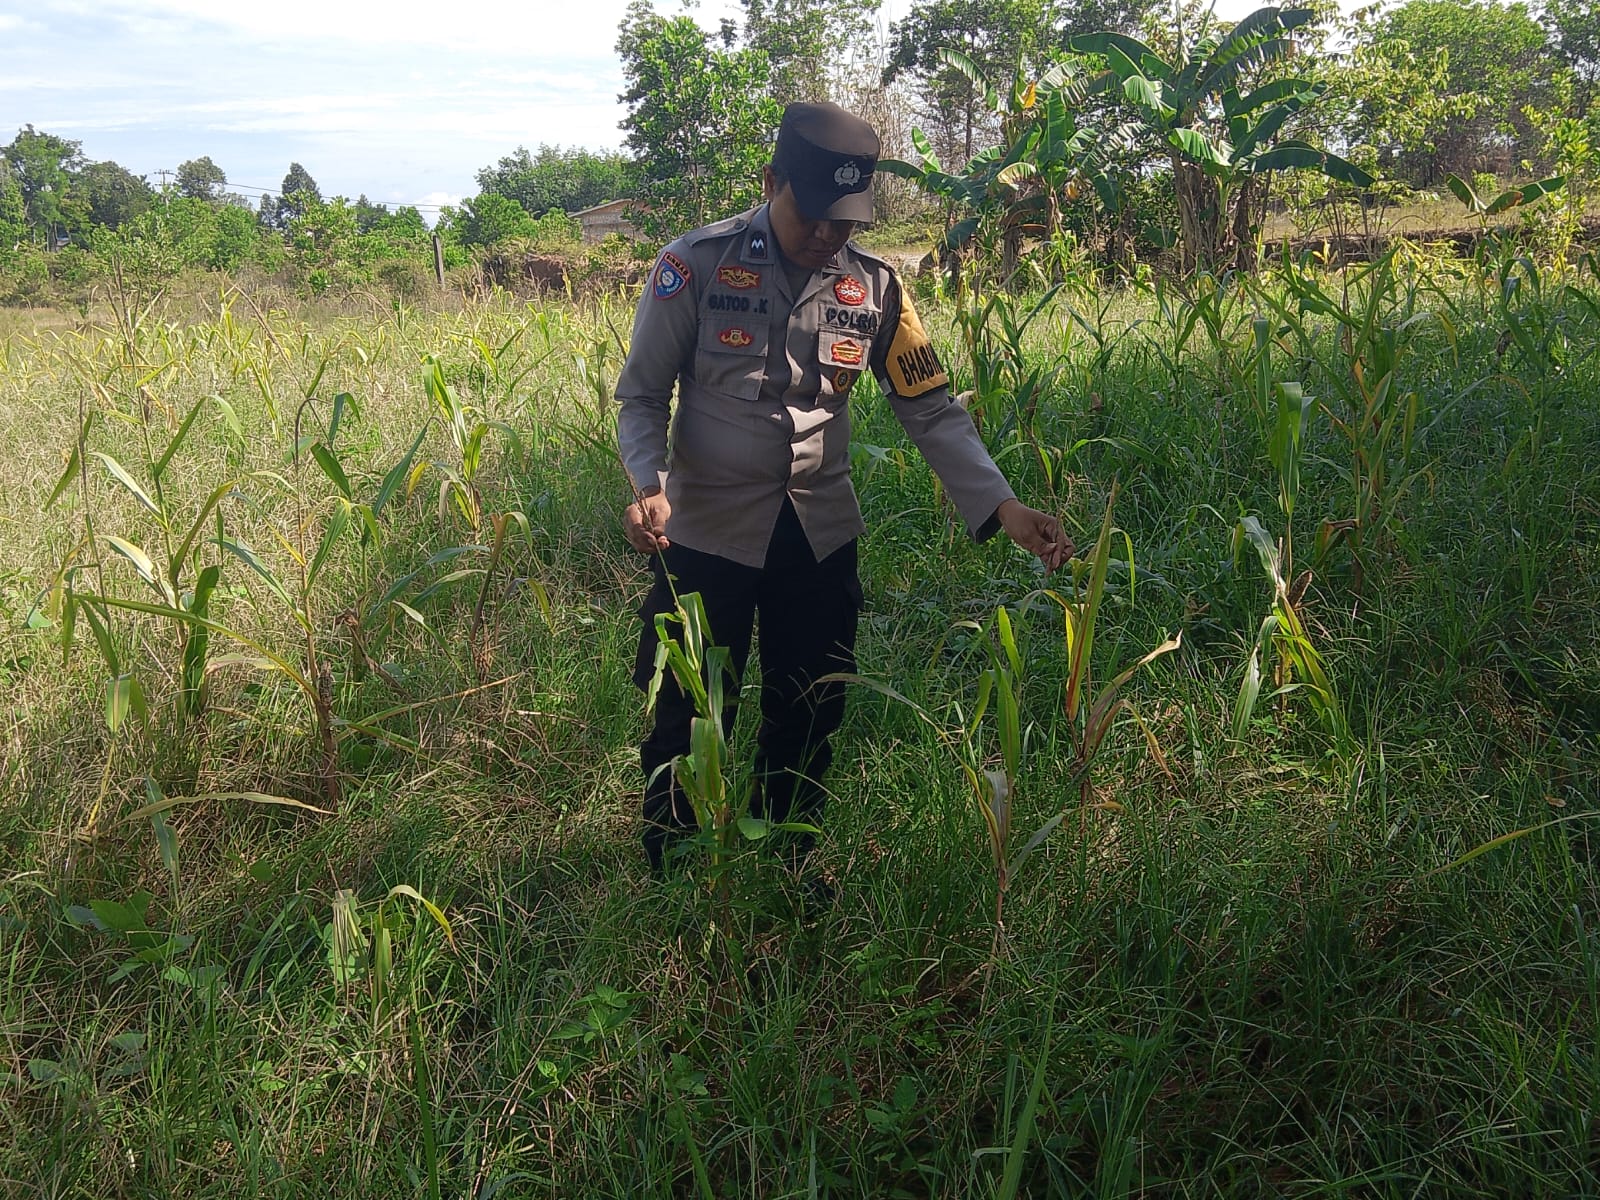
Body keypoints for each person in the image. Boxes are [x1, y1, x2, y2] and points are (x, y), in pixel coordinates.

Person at [616, 101, 1071, 875]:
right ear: (773, 182)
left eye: (846, 220)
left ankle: (787, 858)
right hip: (702, 531)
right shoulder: (694, 265)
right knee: (689, 708)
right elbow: (642, 396)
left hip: (816, 533)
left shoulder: (877, 287)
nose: (829, 234)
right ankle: (676, 866)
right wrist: (648, 483)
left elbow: (929, 407)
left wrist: (1003, 504)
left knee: (809, 704)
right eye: (814, 215)